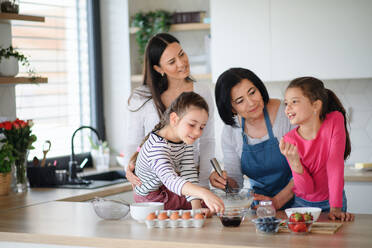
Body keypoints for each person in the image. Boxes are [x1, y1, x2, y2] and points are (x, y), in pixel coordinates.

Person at [125, 33, 215, 188]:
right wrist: (129, 170)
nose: (181, 63)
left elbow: (207, 140)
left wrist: (203, 183)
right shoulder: (142, 98)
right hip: (154, 185)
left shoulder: (202, 91)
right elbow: (134, 142)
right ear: (158, 68)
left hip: (190, 181)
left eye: (181, 54)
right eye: (172, 62)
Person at [210, 68, 295, 210]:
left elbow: (306, 168)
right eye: (240, 100)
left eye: (252, 92)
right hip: (261, 208)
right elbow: (236, 181)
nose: (251, 103)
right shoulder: (231, 131)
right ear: (231, 108)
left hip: (301, 203)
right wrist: (222, 181)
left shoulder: (287, 114)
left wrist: (277, 201)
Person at [130, 91, 224, 213]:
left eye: (201, 127)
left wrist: (197, 209)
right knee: (205, 200)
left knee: (206, 206)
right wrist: (203, 193)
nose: (197, 133)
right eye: (192, 125)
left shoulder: (184, 140)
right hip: (151, 199)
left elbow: (188, 172)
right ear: (174, 119)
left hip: (168, 190)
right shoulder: (156, 148)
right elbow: (170, 180)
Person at [279, 77, 354, 221]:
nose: (287, 109)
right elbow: (307, 190)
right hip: (302, 205)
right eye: (286, 103)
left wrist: (336, 208)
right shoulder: (289, 140)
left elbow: (335, 165)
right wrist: (295, 164)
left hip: (334, 202)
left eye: (294, 102)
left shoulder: (334, 120)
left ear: (316, 105)